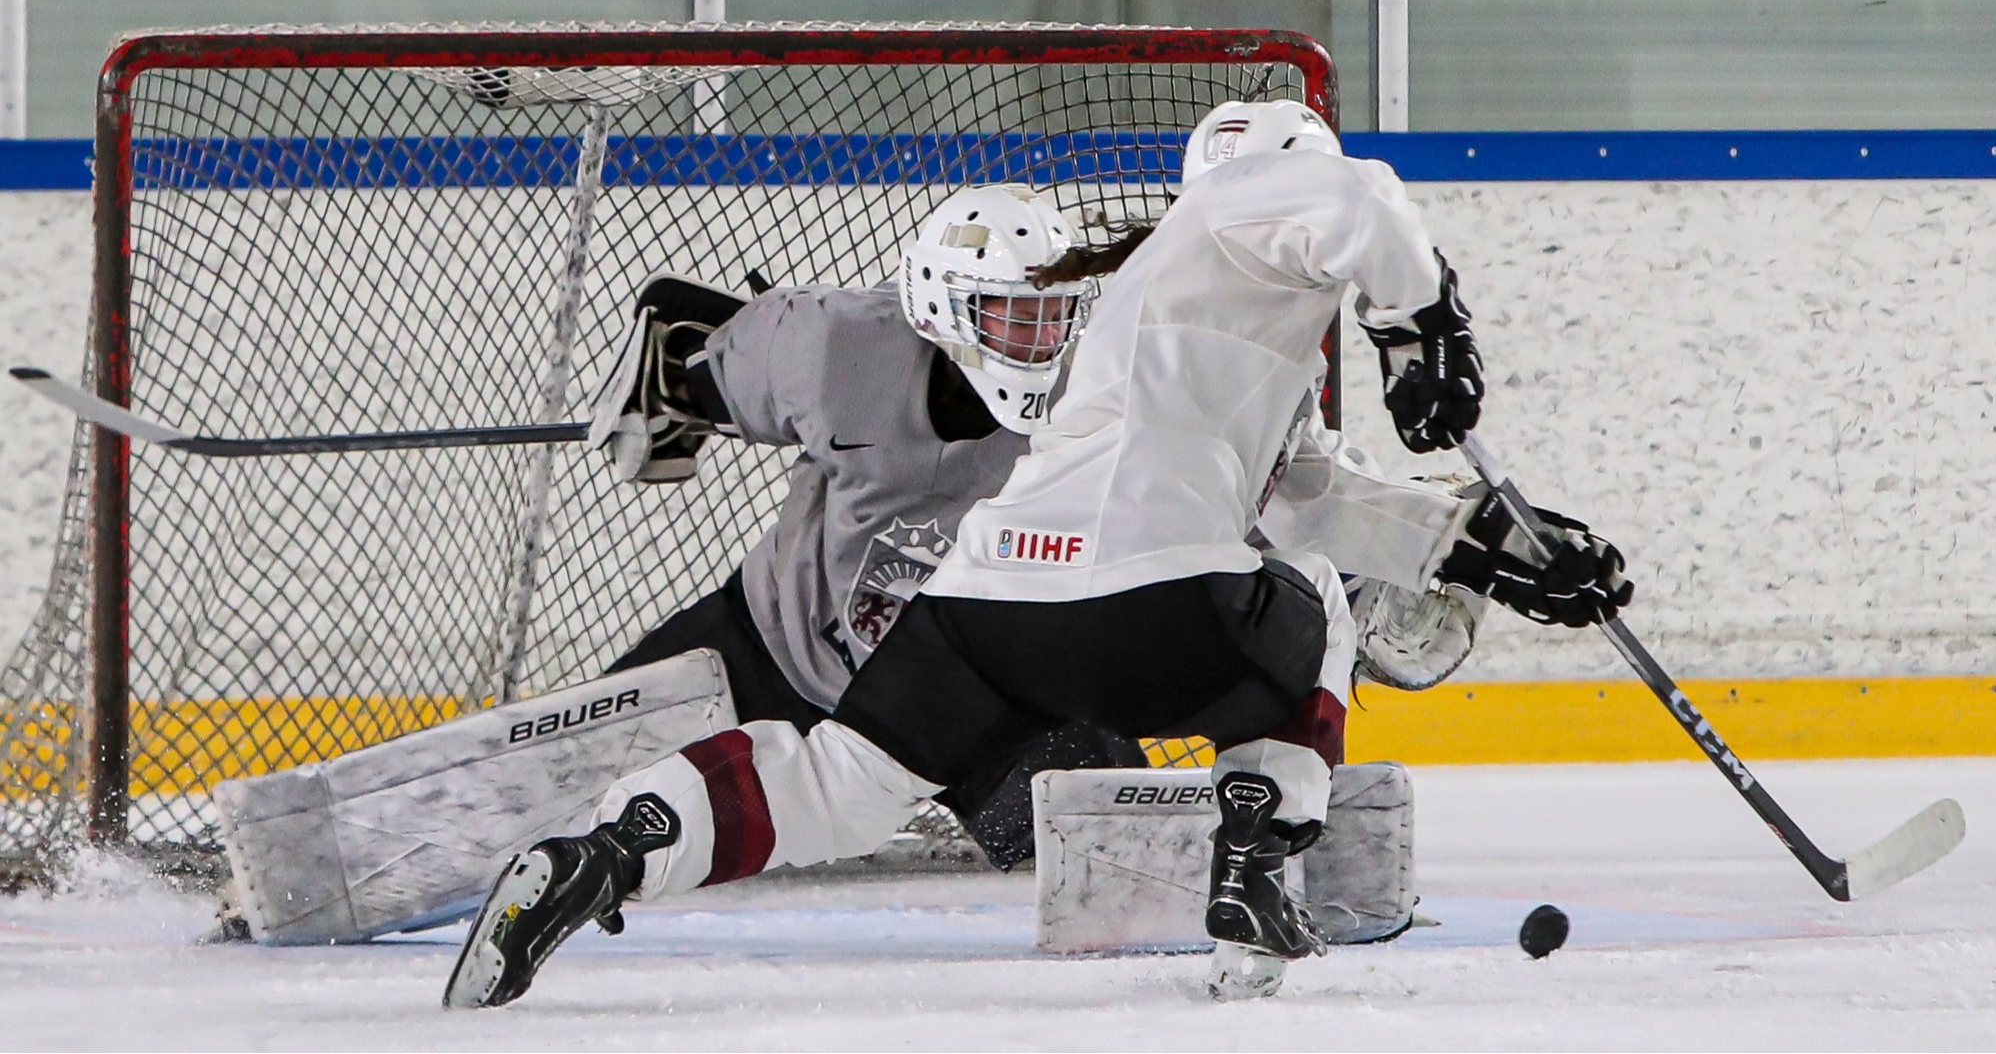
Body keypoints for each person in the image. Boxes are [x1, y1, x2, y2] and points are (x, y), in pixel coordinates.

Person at [444, 100, 1632, 1009]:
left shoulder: (1199, 327)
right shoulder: (1232, 218)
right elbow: (1361, 199)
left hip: (986, 601)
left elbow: (1307, 487)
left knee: (840, 785)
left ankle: (603, 855)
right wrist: (1421, 323)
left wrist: (1480, 549)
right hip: (1145, 597)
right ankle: (1253, 864)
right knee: (1310, 610)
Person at [587, 183, 1143, 869]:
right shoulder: (836, 344)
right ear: (945, 304)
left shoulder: (1092, 395)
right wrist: (668, 395)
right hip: (774, 646)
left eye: (1054, 314)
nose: (1041, 338)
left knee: (1122, 863)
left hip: (964, 696)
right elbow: (682, 331)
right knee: (578, 788)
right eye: (1015, 313)